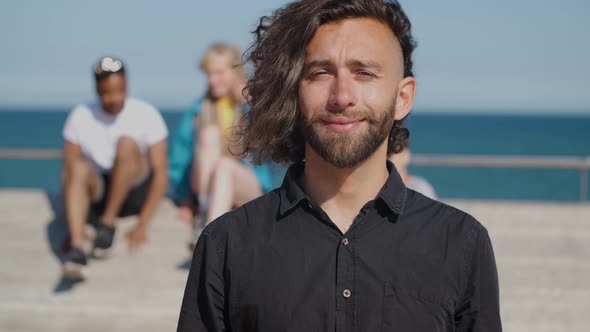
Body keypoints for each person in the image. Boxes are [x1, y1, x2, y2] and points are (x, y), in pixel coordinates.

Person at [177, 0, 502, 331]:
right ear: (293, 92)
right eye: (320, 73)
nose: (342, 96)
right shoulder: (226, 243)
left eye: (364, 73)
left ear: (402, 97)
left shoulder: (461, 243)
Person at [61, 56, 168, 280]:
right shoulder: (80, 116)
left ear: (126, 84)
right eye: (106, 92)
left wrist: (143, 224)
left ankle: (107, 225)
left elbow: (160, 173)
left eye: (119, 90)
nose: (114, 98)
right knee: (78, 167)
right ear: (97, 89)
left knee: (126, 144)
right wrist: (72, 227)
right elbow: (68, 172)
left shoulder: (147, 114)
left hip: (133, 192)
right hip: (99, 192)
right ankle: (77, 249)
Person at [167, 43, 273, 247]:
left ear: (235, 71)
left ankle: (208, 234)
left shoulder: (253, 104)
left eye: (219, 73)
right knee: (208, 133)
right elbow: (180, 158)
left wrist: (249, 99)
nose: (212, 80)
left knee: (224, 166)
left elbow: (272, 137)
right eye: (208, 74)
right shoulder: (199, 109)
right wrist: (185, 200)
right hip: (205, 186)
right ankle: (209, 221)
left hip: (246, 183)